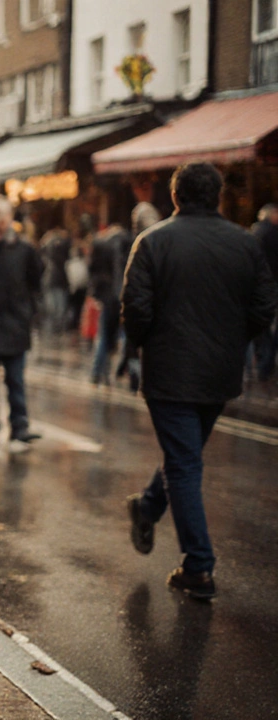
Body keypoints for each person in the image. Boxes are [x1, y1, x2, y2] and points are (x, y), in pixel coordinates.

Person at [123, 162, 277, 600]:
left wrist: (146, 344)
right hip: (219, 373)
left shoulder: (152, 242)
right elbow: (265, 306)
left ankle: (198, 565)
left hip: (170, 370)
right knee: (185, 457)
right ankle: (148, 509)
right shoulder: (244, 244)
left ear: (175, 197)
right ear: (218, 198)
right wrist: (233, 340)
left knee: (183, 460)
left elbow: (134, 307)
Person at [0, 194, 43, 452]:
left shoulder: (24, 248)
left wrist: (27, 311)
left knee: (16, 381)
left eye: (7, 213)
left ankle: (19, 428)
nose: (3, 219)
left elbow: (36, 280)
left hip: (15, 324)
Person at [116, 202, 162, 391]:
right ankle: (133, 372)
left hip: (141, 301)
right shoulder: (161, 241)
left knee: (132, 340)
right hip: (155, 303)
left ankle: (133, 372)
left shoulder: (136, 243)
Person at [88, 224, 129, 385]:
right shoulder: (129, 243)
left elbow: (94, 271)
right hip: (123, 296)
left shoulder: (102, 244)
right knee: (123, 336)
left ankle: (99, 372)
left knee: (104, 335)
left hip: (107, 297)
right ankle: (121, 371)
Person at [250, 203, 278, 382]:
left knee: (262, 326)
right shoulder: (273, 233)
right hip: (273, 282)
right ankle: (266, 364)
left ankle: (262, 364)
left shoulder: (253, 233)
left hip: (257, 285)